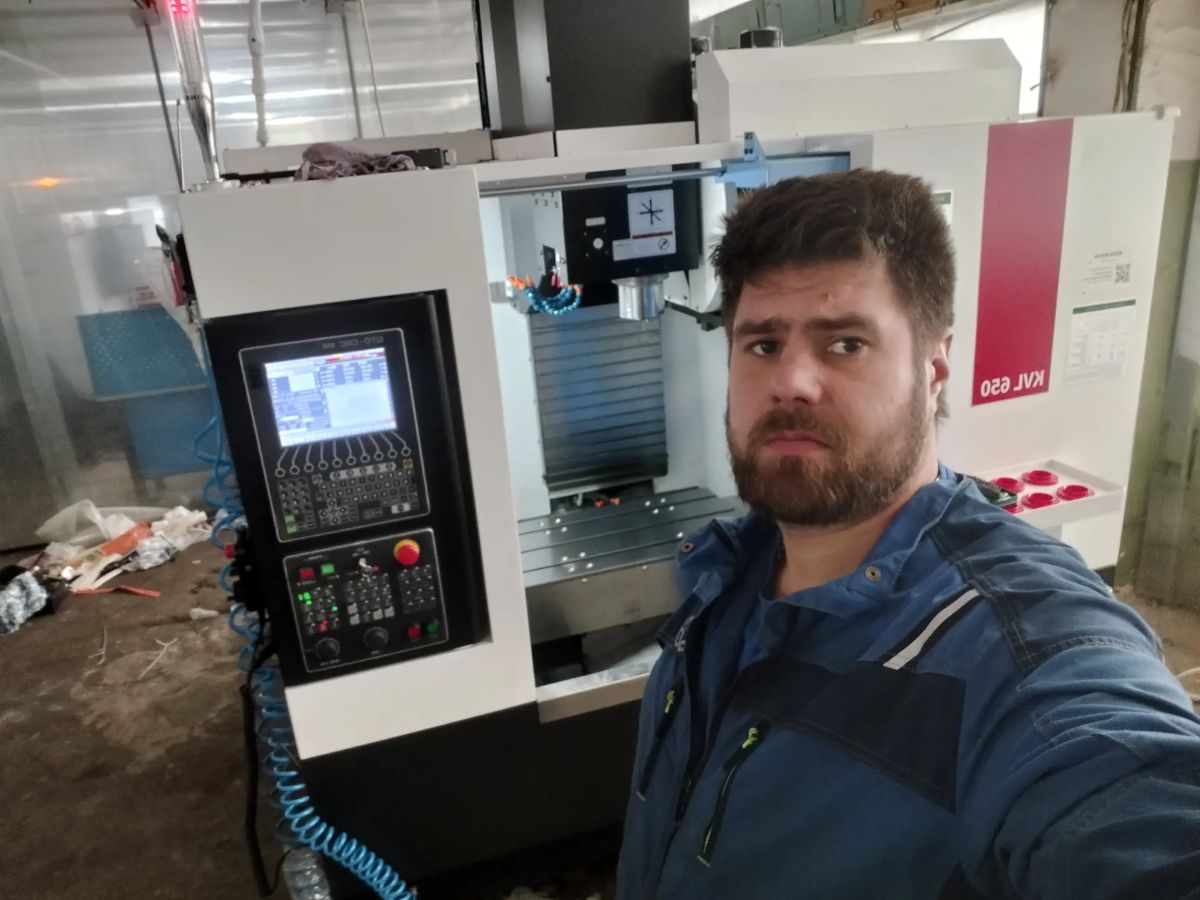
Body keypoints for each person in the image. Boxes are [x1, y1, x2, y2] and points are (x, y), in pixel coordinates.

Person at [616, 170, 1200, 899]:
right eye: (762, 345)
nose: (791, 381)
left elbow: (1132, 795)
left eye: (846, 343)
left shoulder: (1016, 645)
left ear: (935, 366)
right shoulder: (727, 579)